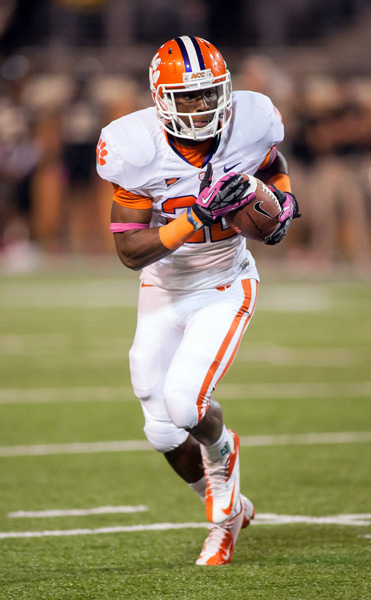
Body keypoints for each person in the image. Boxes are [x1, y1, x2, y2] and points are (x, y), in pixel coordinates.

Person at [96, 35, 299, 566]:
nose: (202, 105)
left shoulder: (250, 121)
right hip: (163, 285)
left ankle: (224, 517)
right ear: (161, 99)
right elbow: (130, 251)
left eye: (209, 93)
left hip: (225, 282)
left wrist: (281, 201)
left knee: (186, 402)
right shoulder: (135, 147)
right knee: (160, 427)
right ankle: (231, 498)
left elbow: (271, 163)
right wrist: (195, 218)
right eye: (188, 96)